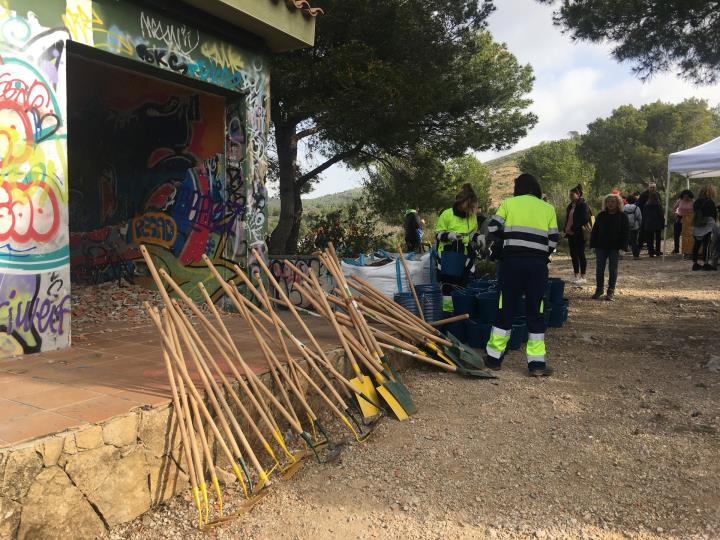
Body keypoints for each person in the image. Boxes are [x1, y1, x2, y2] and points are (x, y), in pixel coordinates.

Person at [484, 173, 558, 377]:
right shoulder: (547, 208)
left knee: (505, 307)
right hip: (537, 266)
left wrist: (506, 240)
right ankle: (536, 365)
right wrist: (542, 255)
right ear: (536, 188)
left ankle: (493, 359)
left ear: (518, 188)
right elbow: (553, 240)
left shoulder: (509, 204)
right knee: (536, 310)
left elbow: (492, 227)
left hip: (511, 263)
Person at [435, 184, 479, 310]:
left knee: (464, 286)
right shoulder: (447, 214)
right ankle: (448, 313)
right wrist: (449, 235)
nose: (470, 209)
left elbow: (472, 234)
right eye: (468, 205)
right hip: (448, 256)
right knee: (447, 287)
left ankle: (462, 311)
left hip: (465, 256)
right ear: (461, 202)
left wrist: (477, 237)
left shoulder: (471, 216)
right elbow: (437, 234)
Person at [590, 194, 629, 301]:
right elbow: (595, 231)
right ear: (605, 203)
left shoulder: (623, 216)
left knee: (613, 270)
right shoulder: (601, 215)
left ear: (618, 203)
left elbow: (626, 233)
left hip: (615, 248)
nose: (610, 204)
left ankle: (610, 292)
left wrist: (623, 248)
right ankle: (599, 290)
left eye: (613, 201)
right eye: (608, 202)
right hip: (601, 247)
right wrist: (592, 245)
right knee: (599, 269)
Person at [564, 184, 590, 284]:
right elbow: (568, 218)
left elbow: (585, 219)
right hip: (570, 234)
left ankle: (583, 276)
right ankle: (575, 274)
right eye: (569, 195)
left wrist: (573, 227)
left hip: (579, 233)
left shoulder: (583, 205)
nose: (570, 197)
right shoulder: (570, 206)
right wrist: (565, 228)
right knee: (573, 254)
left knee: (580, 254)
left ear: (578, 194)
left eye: (572, 195)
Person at [691, 185, 718, 271]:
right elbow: (713, 214)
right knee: (707, 245)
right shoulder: (710, 202)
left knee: (697, 244)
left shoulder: (697, 201)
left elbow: (695, 211)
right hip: (708, 224)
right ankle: (706, 264)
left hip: (698, 225)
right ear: (709, 192)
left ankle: (695, 263)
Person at [641, 192, 665, 257]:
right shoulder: (658, 205)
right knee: (658, 238)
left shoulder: (646, 205)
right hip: (657, 223)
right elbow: (661, 215)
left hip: (648, 223)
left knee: (650, 239)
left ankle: (651, 252)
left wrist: (644, 223)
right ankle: (657, 251)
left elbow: (644, 215)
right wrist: (663, 223)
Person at [672, 190, 694, 254]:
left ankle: (688, 249)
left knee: (687, 235)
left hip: (689, 220)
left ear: (690, 196)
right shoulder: (680, 200)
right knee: (676, 234)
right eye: (684, 197)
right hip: (679, 218)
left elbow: (696, 211)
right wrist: (676, 213)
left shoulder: (693, 201)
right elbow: (674, 208)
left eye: (687, 197)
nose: (685, 198)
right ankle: (676, 249)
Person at [623, 194, 643, 259]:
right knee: (634, 241)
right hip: (635, 226)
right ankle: (635, 255)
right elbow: (639, 218)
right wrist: (640, 225)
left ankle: (621, 255)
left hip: (626, 226)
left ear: (627, 200)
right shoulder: (636, 208)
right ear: (635, 200)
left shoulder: (624, 207)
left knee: (625, 240)